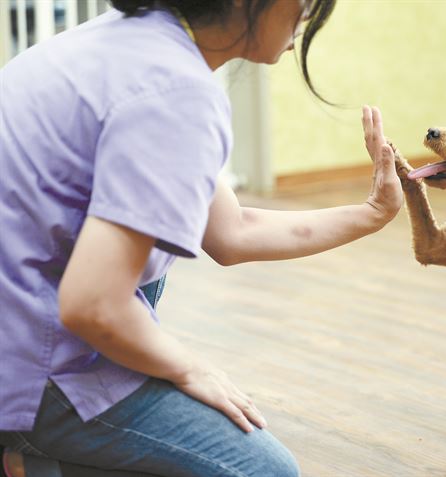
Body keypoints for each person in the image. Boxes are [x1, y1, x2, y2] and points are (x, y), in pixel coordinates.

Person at [0, 0, 402, 476]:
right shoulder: (175, 91)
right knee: (267, 472)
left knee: (149, 260)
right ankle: (32, 454)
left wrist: (372, 213)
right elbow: (93, 305)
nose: (309, 12)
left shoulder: (128, 38)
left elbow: (231, 233)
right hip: (24, 370)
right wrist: (189, 367)